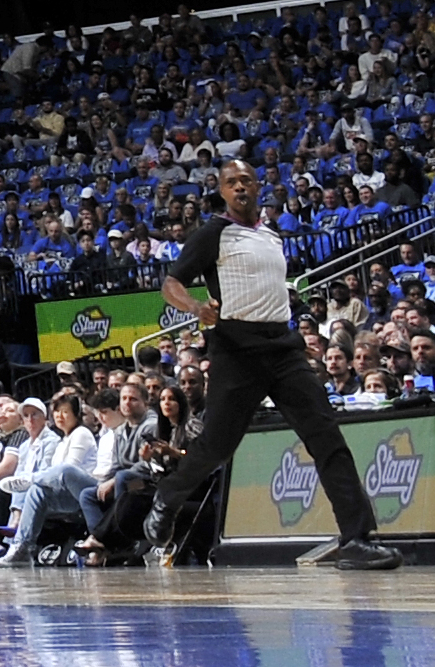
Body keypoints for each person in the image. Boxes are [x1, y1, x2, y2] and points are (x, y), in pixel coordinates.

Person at [142, 160, 399, 569]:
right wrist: (195, 307)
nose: (239, 187)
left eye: (246, 179)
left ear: (257, 186)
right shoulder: (213, 233)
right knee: (216, 447)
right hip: (235, 350)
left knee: (326, 436)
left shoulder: (271, 235)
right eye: (231, 182)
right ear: (222, 191)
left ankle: (356, 539)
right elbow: (171, 283)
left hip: (282, 348)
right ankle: (168, 496)